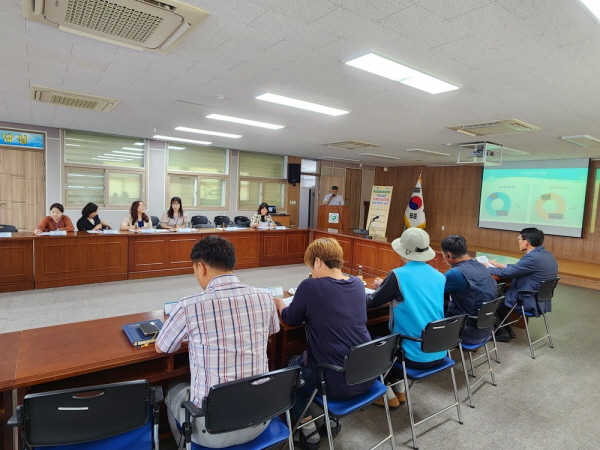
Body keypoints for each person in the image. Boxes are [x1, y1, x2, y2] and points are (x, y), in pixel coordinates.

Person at [156, 235, 279, 448]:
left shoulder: (189, 305)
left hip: (213, 433)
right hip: (261, 419)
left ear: (201, 267)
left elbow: (162, 347)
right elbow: (272, 330)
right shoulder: (265, 297)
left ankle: (183, 444)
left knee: (174, 389)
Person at [274, 237, 372, 449]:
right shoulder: (356, 283)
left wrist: (280, 303)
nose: (311, 271)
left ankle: (307, 428)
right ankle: (328, 418)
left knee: (288, 371)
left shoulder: (310, 286)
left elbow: (291, 318)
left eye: (311, 266)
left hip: (336, 381)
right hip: (367, 373)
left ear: (318, 262)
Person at [366, 227, 446, 409]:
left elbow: (372, 301)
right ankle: (400, 388)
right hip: (439, 350)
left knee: (370, 337)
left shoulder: (398, 275)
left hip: (412, 354)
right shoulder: (439, 276)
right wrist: (386, 285)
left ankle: (386, 393)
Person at [487, 227, 558, 342]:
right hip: (541, 298)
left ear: (526, 242)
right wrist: (502, 265)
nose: (518, 241)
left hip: (527, 299)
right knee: (499, 294)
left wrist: (487, 268)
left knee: (491, 298)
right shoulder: (546, 254)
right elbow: (520, 268)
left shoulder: (531, 258)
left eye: (519, 238)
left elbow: (506, 274)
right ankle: (507, 330)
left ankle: (501, 332)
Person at [441, 235, 497, 345]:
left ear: (449, 255)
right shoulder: (481, 266)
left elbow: (431, 291)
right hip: (486, 329)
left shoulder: (455, 274)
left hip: (467, 332)